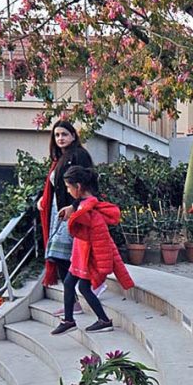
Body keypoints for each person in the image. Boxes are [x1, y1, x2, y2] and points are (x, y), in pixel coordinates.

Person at [51, 164, 134, 335]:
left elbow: (101, 239)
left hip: (88, 257)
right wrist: (72, 208)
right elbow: (81, 204)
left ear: (78, 187)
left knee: (83, 288)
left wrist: (100, 266)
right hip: (80, 255)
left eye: (68, 187)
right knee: (69, 283)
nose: (67, 191)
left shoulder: (89, 212)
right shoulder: (84, 205)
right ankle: (69, 320)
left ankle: (101, 320)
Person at [37, 120, 94, 312]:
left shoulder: (79, 155)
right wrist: (41, 199)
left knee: (64, 256)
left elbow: (90, 184)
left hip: (73, 212)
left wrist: (75, 206)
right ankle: (73, 302)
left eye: (64, 134)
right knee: (59, 255)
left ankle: (77, 299)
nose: (60, 138)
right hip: (58, 211)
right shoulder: (59, 159)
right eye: (57, 135)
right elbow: (53, 186)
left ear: (73, 135)